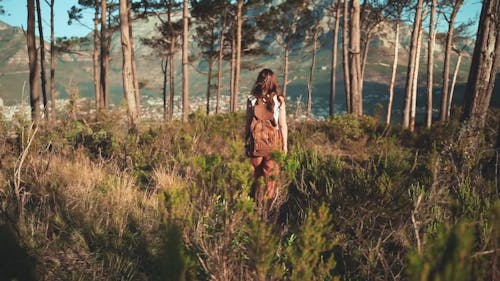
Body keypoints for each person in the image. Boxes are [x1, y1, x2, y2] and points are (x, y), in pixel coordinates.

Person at [245, 68, 288, 210]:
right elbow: (282, 126)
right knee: (270, 180)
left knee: (257, 178)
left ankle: (255, 208)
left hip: (256, 145)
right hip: (273, 144)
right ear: (274, 82)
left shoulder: (252, 100)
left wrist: (246, 142)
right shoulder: (279, 100)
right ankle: (268, 211)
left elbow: (248, 124)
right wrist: (285, 146)